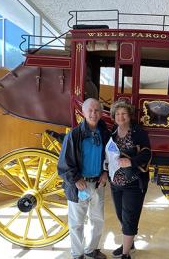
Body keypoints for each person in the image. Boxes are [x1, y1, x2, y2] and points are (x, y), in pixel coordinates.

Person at [58, 98, 110, 259]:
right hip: (79, 185)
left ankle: (90, 250)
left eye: (97, 111)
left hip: (98, 183)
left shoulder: (105, 134)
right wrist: (75, 179)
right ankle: (77, 253)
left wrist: (105, 172)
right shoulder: (74, 135)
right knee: (77, 223)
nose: (93, 114)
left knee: (98, 220)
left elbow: (110, 157)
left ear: (101, 113)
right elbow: (64, 163)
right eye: (90, 110)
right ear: (83, 112)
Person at [105, 100, 152, 259]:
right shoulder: (113, 132)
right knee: (120, 215)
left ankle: (126, 254)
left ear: (130, 115)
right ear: (114, 116)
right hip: (115, 183)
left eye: (124, 113)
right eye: (117, 114)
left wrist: (131, 161)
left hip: (134, 183)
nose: (120, 116)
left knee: (130, 216)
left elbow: (147, 154)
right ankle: (129, 243)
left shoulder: (138, 132)